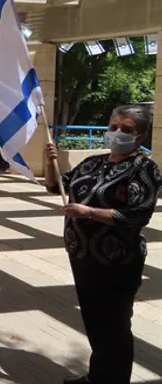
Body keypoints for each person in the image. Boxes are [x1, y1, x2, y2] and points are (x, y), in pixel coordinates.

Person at [45, 105, 162, 384]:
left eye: (127, 129)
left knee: (114, 325)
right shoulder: (91, 162)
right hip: (83, 257)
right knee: (95, 322)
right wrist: (51, 162)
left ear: (141, 135)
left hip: (118, 262)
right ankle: (98, 376)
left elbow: (137, 215)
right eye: (114, 126)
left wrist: (88, 212)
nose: (117, 133)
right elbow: (55, 186)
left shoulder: (144, 167)